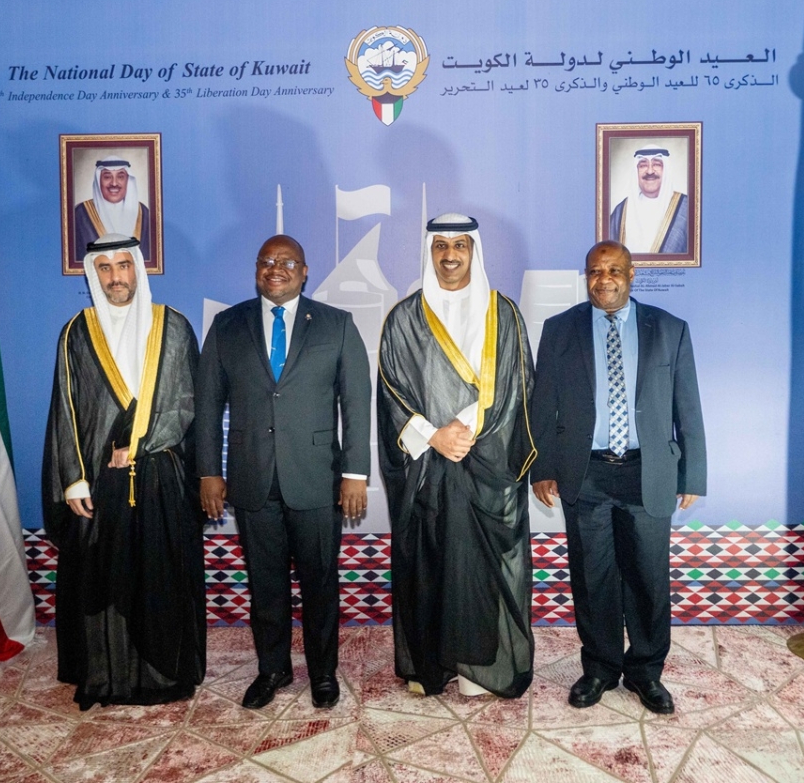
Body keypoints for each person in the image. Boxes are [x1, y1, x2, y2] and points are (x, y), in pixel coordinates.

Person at [531, 240, 706, 715]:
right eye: (594, 271)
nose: (603, 279)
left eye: (613, 270)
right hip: (585, 473)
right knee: (593, 578)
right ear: (586, 277)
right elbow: (543, 404)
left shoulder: (669, 328)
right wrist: (542, 467)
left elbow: (687, 406)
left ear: (631, 275)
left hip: (647, 471)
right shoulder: (560, 329)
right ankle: (600, 668)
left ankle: (646, 671)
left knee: (649, 578)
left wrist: (692, 471)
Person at [196, 234, 370, 710]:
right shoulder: (227, 325)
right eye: (266, 261)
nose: (276, 268)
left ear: (305, 271)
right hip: (251, 477)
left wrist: (355, 473)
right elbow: (207, 404)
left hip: (317, 478)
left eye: (287, 262)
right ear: (256, 269)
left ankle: (323, 673)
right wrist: (208, 471)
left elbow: (356, 403)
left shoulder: (336, 324)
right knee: (265, 585)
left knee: (320, 584)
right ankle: (272, 669)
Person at [42, 233, 205, 710]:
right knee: (105, 579)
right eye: (106, 268)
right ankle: (107, 675)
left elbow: (186, 402)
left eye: (124, 265)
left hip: (161, 479)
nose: (116, 277)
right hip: (100, 483)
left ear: (138, 269)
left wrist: (138, 445)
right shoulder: (77, 331)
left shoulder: (173, 326)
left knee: (159, 576)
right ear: (94, 274)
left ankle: (161, 672)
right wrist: (73, 477)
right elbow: (66, 408)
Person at [377, 213, 536, 699]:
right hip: (429, 470)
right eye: (441, 245)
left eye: (460, 245)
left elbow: (518, 388)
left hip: (487, 467)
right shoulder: (404, 318)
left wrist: (469, 432)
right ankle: (431, 665)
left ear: (474, 251)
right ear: (429, 251)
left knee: (478, 572)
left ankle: (478, 666)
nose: (450, 255)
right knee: (430, 566)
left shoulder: (504, 314)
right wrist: (433, 436)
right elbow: (391, 392)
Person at [608, 144, 689, 253]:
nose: (650, 171)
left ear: (666, 170)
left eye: (657, 164)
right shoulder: (621, 211)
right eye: (643, 165)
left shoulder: (687, 208)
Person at [73, 158, 152, 264]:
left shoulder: (144, 213)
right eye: (107, 177)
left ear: (128, 180)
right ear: (99, 180)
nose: (114, 183)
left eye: (120, 177)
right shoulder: (80, 214)